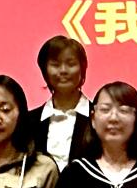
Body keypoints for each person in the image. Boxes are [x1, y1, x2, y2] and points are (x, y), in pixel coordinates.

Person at [28, 35, 94, 172]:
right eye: (55, 65)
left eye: (71, 64)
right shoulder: (28, 122)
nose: (63, 70)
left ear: (82, 68)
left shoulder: (98, 118)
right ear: (44, 70)